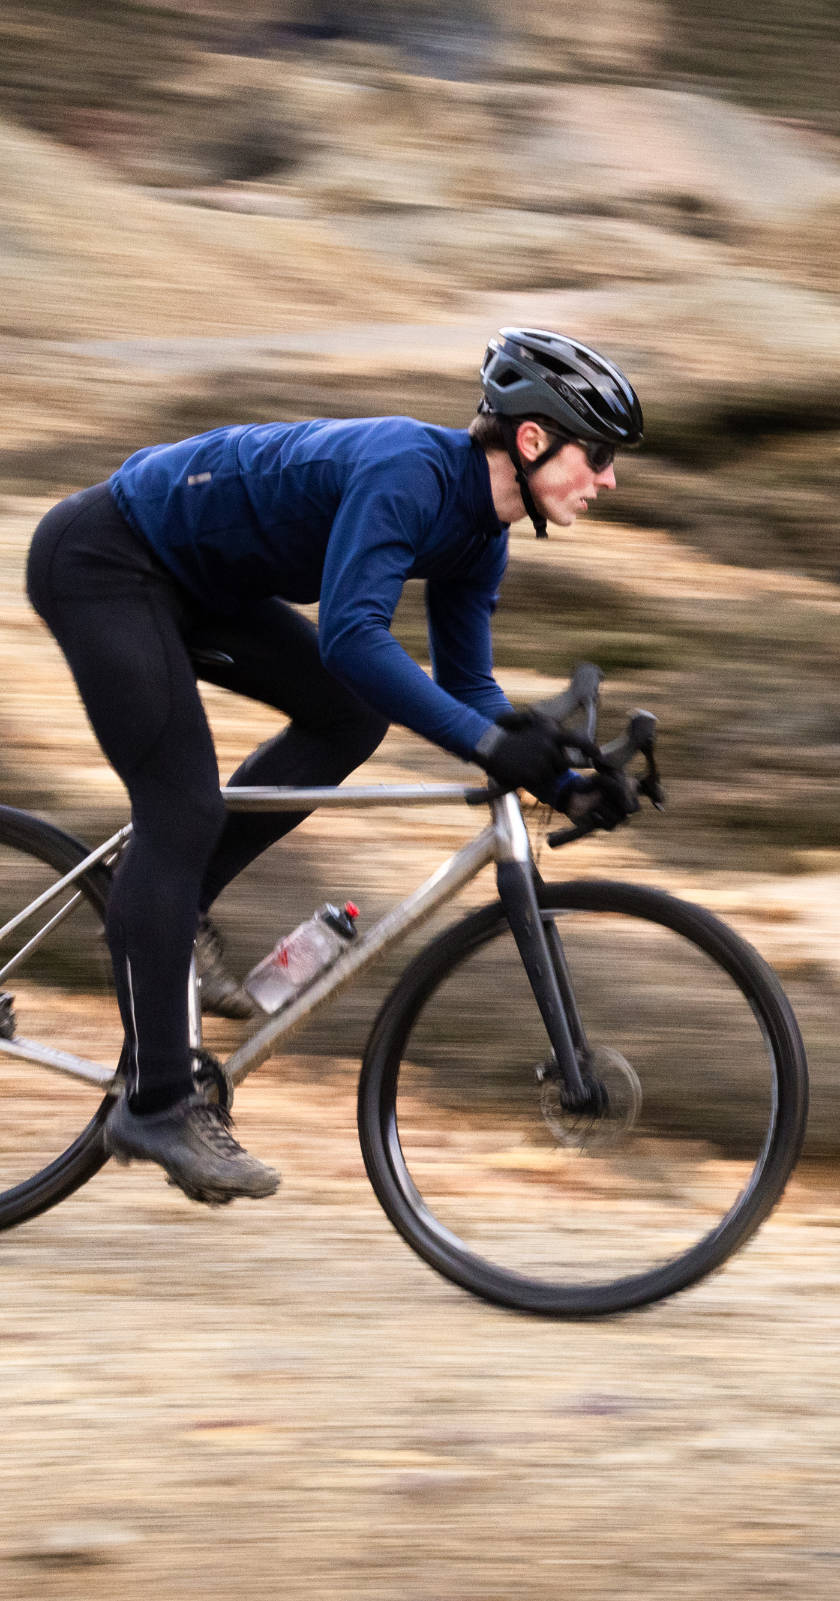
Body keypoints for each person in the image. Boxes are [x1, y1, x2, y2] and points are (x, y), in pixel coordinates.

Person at [24, 328, 643, 1205]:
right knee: (182, 809)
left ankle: (170, 907)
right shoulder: (410, 471)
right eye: (602, 454)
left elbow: (468, 686)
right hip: (106, 560)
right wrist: (493, 744)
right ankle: (156, 1102)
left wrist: (570, 778)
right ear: (533, 440)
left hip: (198, 589)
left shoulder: (479, 536)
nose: (611, 478)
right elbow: (354, 637)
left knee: (346, 718)